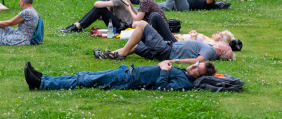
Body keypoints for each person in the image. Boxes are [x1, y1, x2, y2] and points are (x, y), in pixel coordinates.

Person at [24, 59, 216, 92]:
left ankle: (41, 83)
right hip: (126, 71)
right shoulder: (184, 73)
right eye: (195, 64)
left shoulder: (186, 83)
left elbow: (162, 88)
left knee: (84, 81)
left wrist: (164, 71)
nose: (192, 67)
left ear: (198, 76)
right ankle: (43, 79)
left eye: (196, 69)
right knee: (84, 75)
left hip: (127, 79)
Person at [98, 19, 233, 63]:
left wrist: (175, 61)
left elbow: (198, 60)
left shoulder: (210, 51)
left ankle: (121, 54)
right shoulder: (210, 47)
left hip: (167, 51)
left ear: (222, 50)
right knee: (137, 46)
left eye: (225, 45)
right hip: (166, 49)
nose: (224, 43)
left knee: (143, 24)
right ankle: (108, 54)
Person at [60, 0, 136, 34]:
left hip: (122, 27)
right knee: (99, 9)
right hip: (119, 23)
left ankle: (77, 26)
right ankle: (77, 25)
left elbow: (96, 4)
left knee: (100, 8)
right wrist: (102, 16)